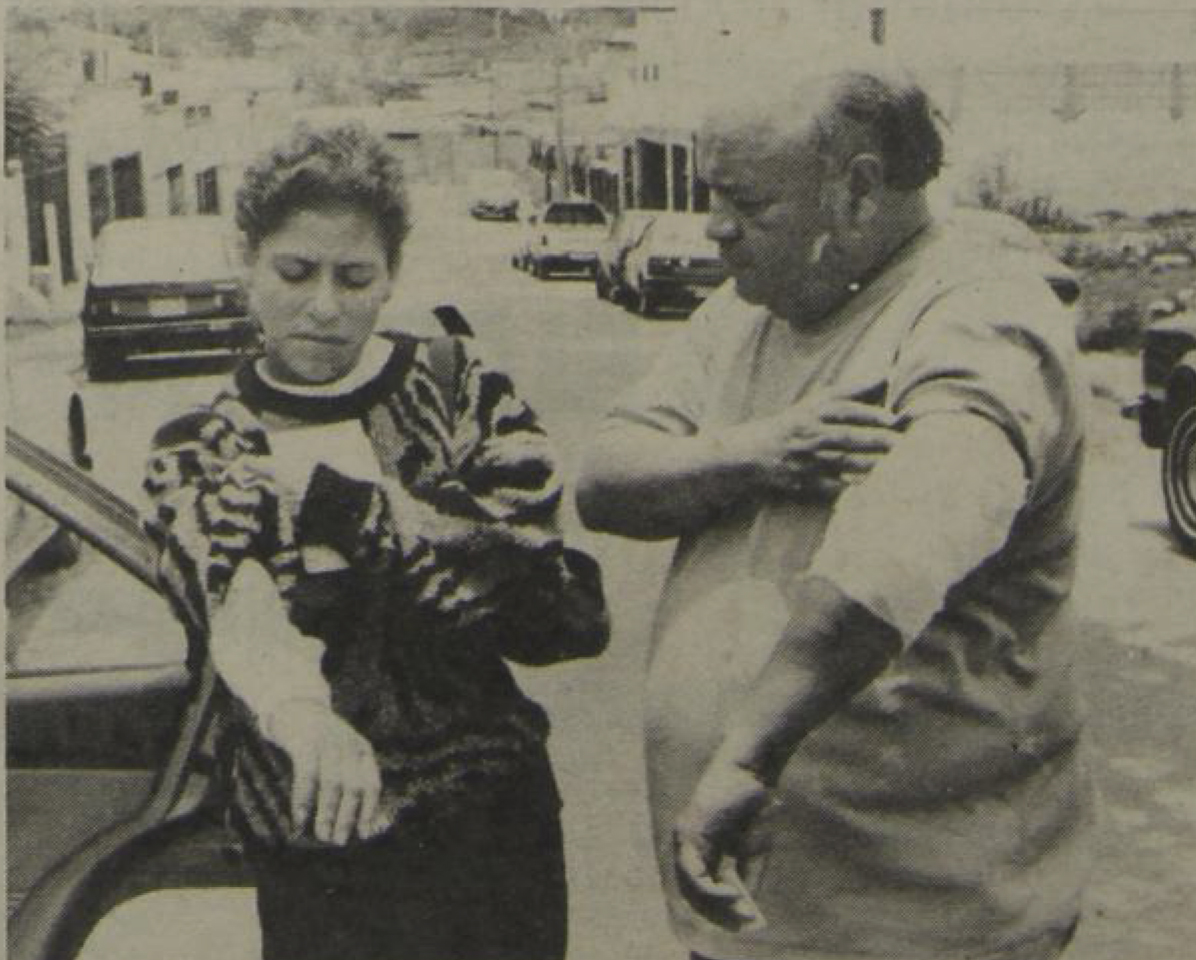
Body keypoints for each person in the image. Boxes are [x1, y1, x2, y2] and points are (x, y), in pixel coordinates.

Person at [577, 67, 1092, 960]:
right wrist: (756, 451)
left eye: (748, 201)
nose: (716, 227)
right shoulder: (743, 314)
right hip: (756, 913)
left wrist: (744, 754)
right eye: (710, 196)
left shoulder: (983, 315)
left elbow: (894, 556)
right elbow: (604, 479)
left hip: (924, 920)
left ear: (857, 190)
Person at [143, 122, 608, 960]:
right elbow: (232, 597)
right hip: (322, 832)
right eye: (295, 272)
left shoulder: (453, 383)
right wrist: (303, 718)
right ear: (245, 261)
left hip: (491, 821)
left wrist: (335, 512)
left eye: (355, 277)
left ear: (391, 276)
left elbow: (524, 541)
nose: (324, 305)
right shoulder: (199, 441)